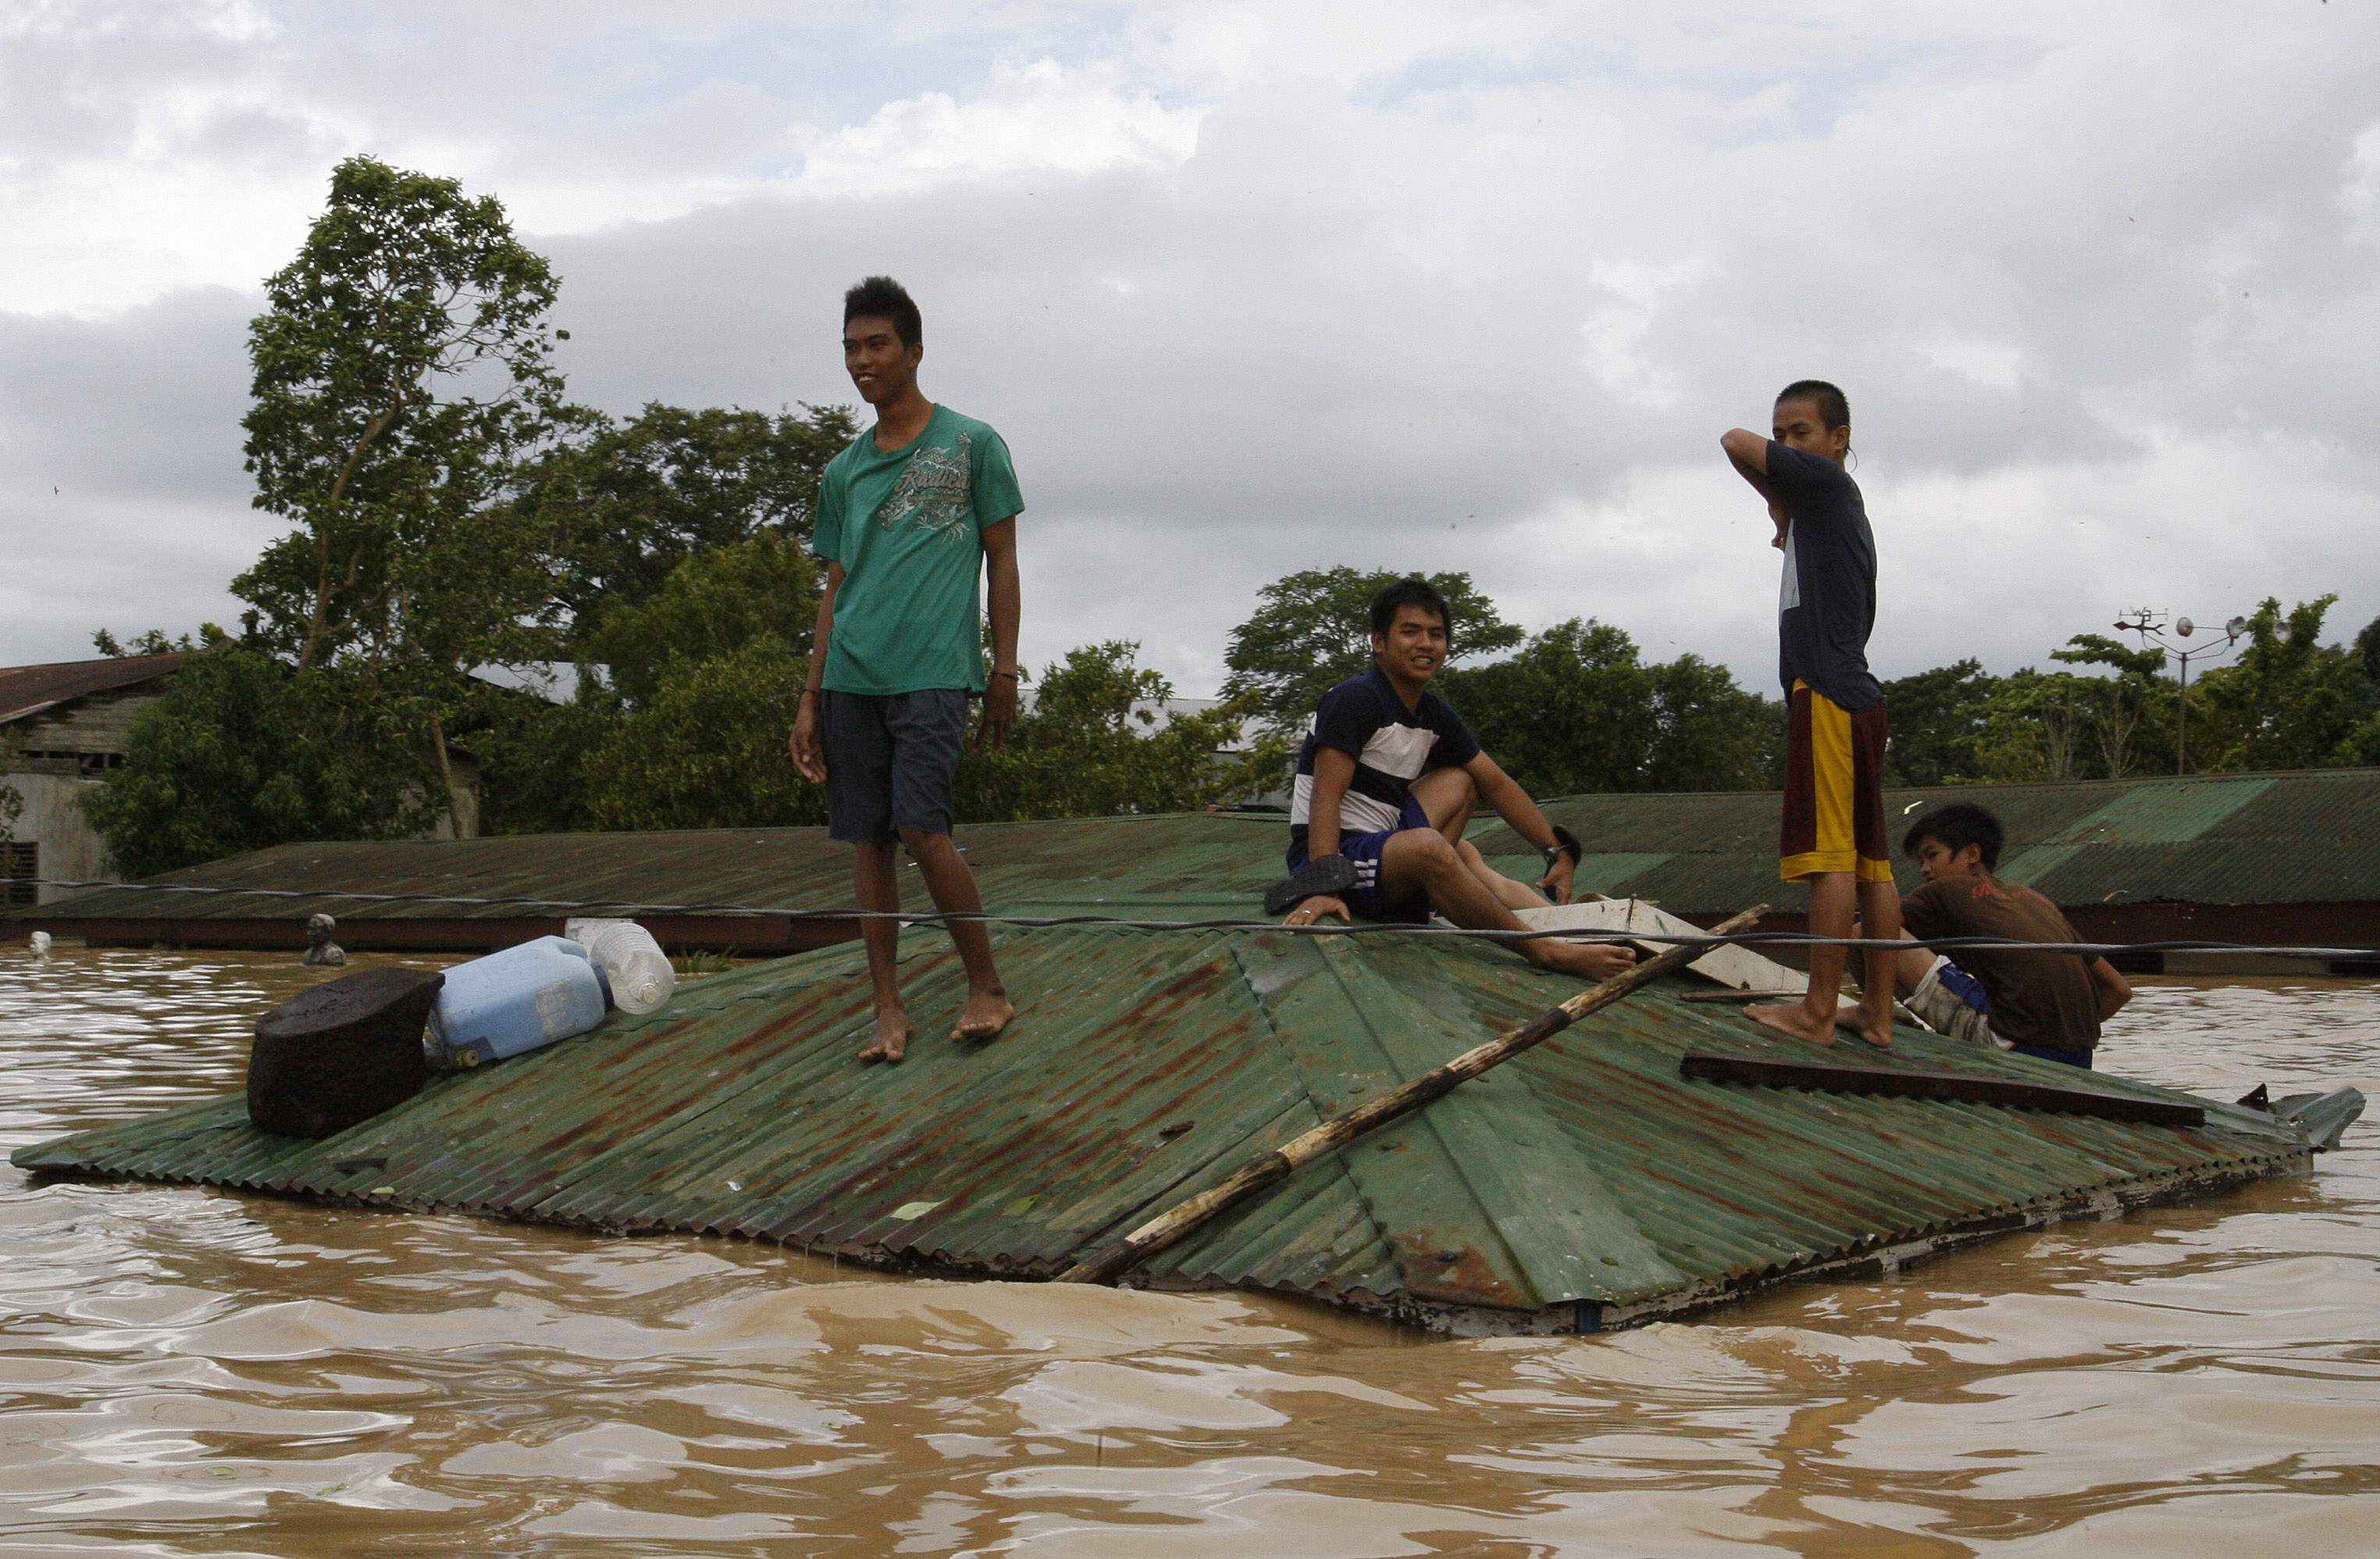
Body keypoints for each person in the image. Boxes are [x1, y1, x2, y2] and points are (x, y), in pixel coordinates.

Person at [789, 276, 1022, 1064]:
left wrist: (1005, 673)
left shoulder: (972, 444)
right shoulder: (843, 471)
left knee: (923, 826)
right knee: (869, 842)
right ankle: (887, 1009)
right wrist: (809, 696)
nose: (863, 360)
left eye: (877, 344)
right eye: (851, 347)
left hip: (933, 672)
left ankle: (986, 983)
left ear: (914, 351)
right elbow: (836, 587)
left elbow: (1003, 563)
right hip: (852, 675)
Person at [1277, 579, 1637, 983]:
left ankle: (1577, 932)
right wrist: (1325, 886)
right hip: (1338, 855)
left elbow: (1496, 784)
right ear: (1379, 642)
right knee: (1432, 849)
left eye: (1436, 635)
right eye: (1410, 632)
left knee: (1462, 793)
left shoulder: (1431, 713)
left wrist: (1556, 851)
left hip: (1384, 843)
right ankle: (1545, 951)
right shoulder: (1355, 698)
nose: (1426, 644)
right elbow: (1325, 796)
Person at [1720, 380, 1901, 1047]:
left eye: (1801, 432)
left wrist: (1776, 496)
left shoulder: (1825, 488)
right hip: (1857, 697)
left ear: (1838, 440)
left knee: (1832, 860)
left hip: (1825, 693)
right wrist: (1781, 510)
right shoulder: (1823, 507)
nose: (1788, 444)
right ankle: (1877, 1015)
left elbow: (1735, 442)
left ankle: (1819, 1011)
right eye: (1784, 433)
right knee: (1871, 865)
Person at [1894, 803, 2131, 1068]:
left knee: (1871, 935)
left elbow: (1874, 924)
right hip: (2078, 1057)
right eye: (1921, 861)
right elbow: (2119, 989)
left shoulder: (1945, 888)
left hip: (2013, 1043)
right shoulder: (2037, 901)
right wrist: (2054, 1034)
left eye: (1932, 855)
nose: (1924, 869)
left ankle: (1875, 1015)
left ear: (1972, 853)